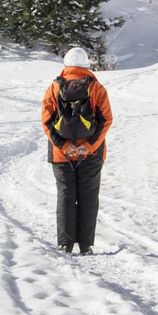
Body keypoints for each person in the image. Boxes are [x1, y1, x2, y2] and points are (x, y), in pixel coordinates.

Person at [40, 47, 113, 255]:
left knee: (65, 196)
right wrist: (88, 146)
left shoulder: (54, 87)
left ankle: (65, 244)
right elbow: (106, 120)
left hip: (60, 154)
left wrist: (63, 146)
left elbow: (46, 121)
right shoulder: (97, 88)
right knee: (89, 197)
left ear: (66, 65)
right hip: (91, 154)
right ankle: (86, 246)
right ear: (87, 65)